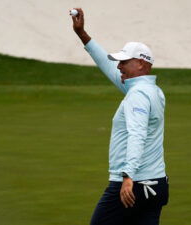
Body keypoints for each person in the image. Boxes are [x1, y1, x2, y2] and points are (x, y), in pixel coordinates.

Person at [71, 8, 169, 225]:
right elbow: (108, 66)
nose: (119, 66)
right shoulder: (152, 90)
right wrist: (82, 35)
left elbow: (137, 135)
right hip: (156, 184)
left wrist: (127, 177)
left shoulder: (138, 95)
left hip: (133, 185)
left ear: (141, 64)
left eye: (124, 62)